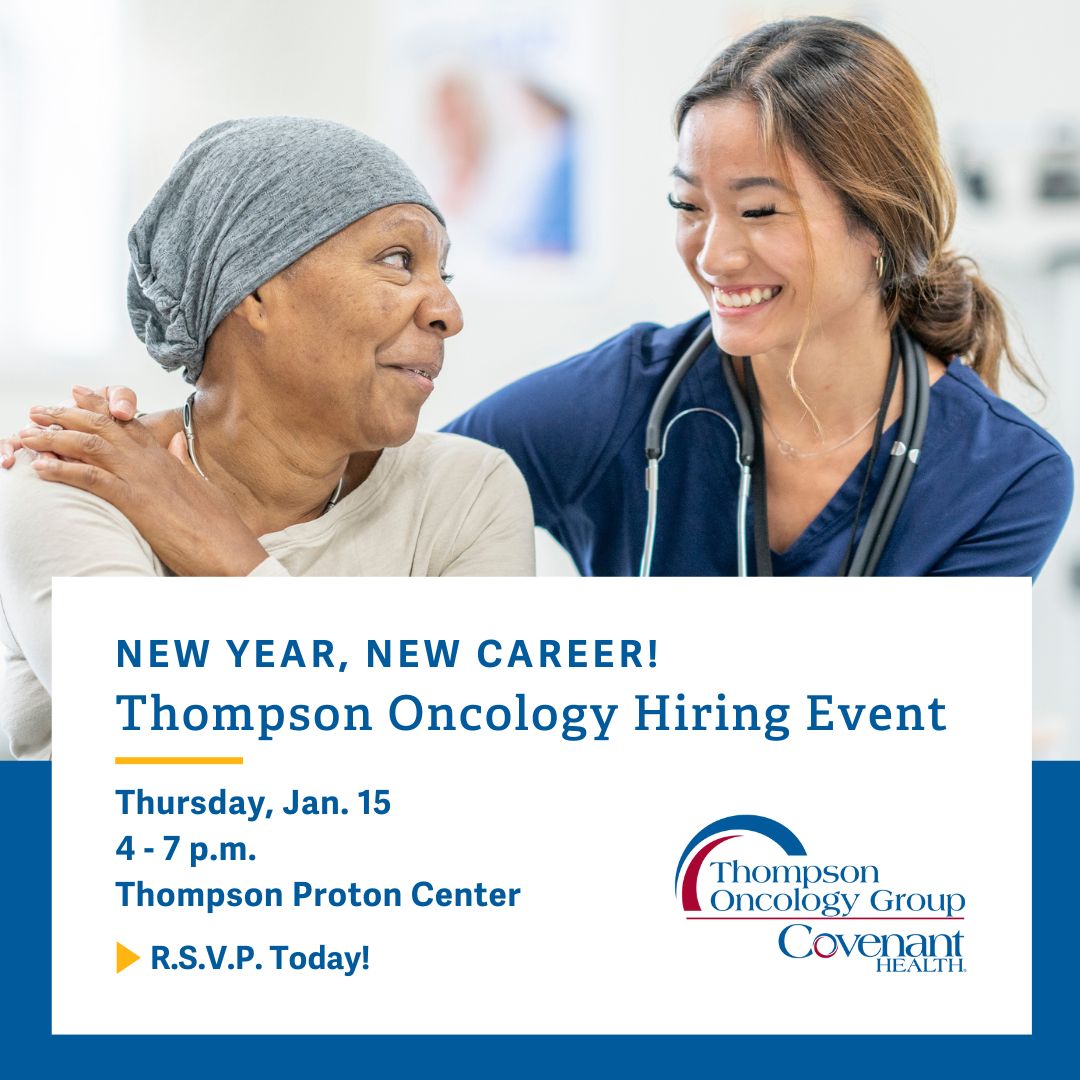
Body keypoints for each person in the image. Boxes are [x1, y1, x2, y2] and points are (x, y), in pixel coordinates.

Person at [4, 16, 1072, 578]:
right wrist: (151, 446)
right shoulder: (621, 403)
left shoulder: (1006, 478)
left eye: (759, 209)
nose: (712, 252)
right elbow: (376, 479)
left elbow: (917, 736)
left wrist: (223, 556)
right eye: (687, 203)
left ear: (880, 221)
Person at [0, 117, 535, 760]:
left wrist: (228, 557)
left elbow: (477, 769)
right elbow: (164, 754)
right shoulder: (77, 479)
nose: (448, 310)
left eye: (444, 272)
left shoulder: (469, 492)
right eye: (399, 261)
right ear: (253, 291)